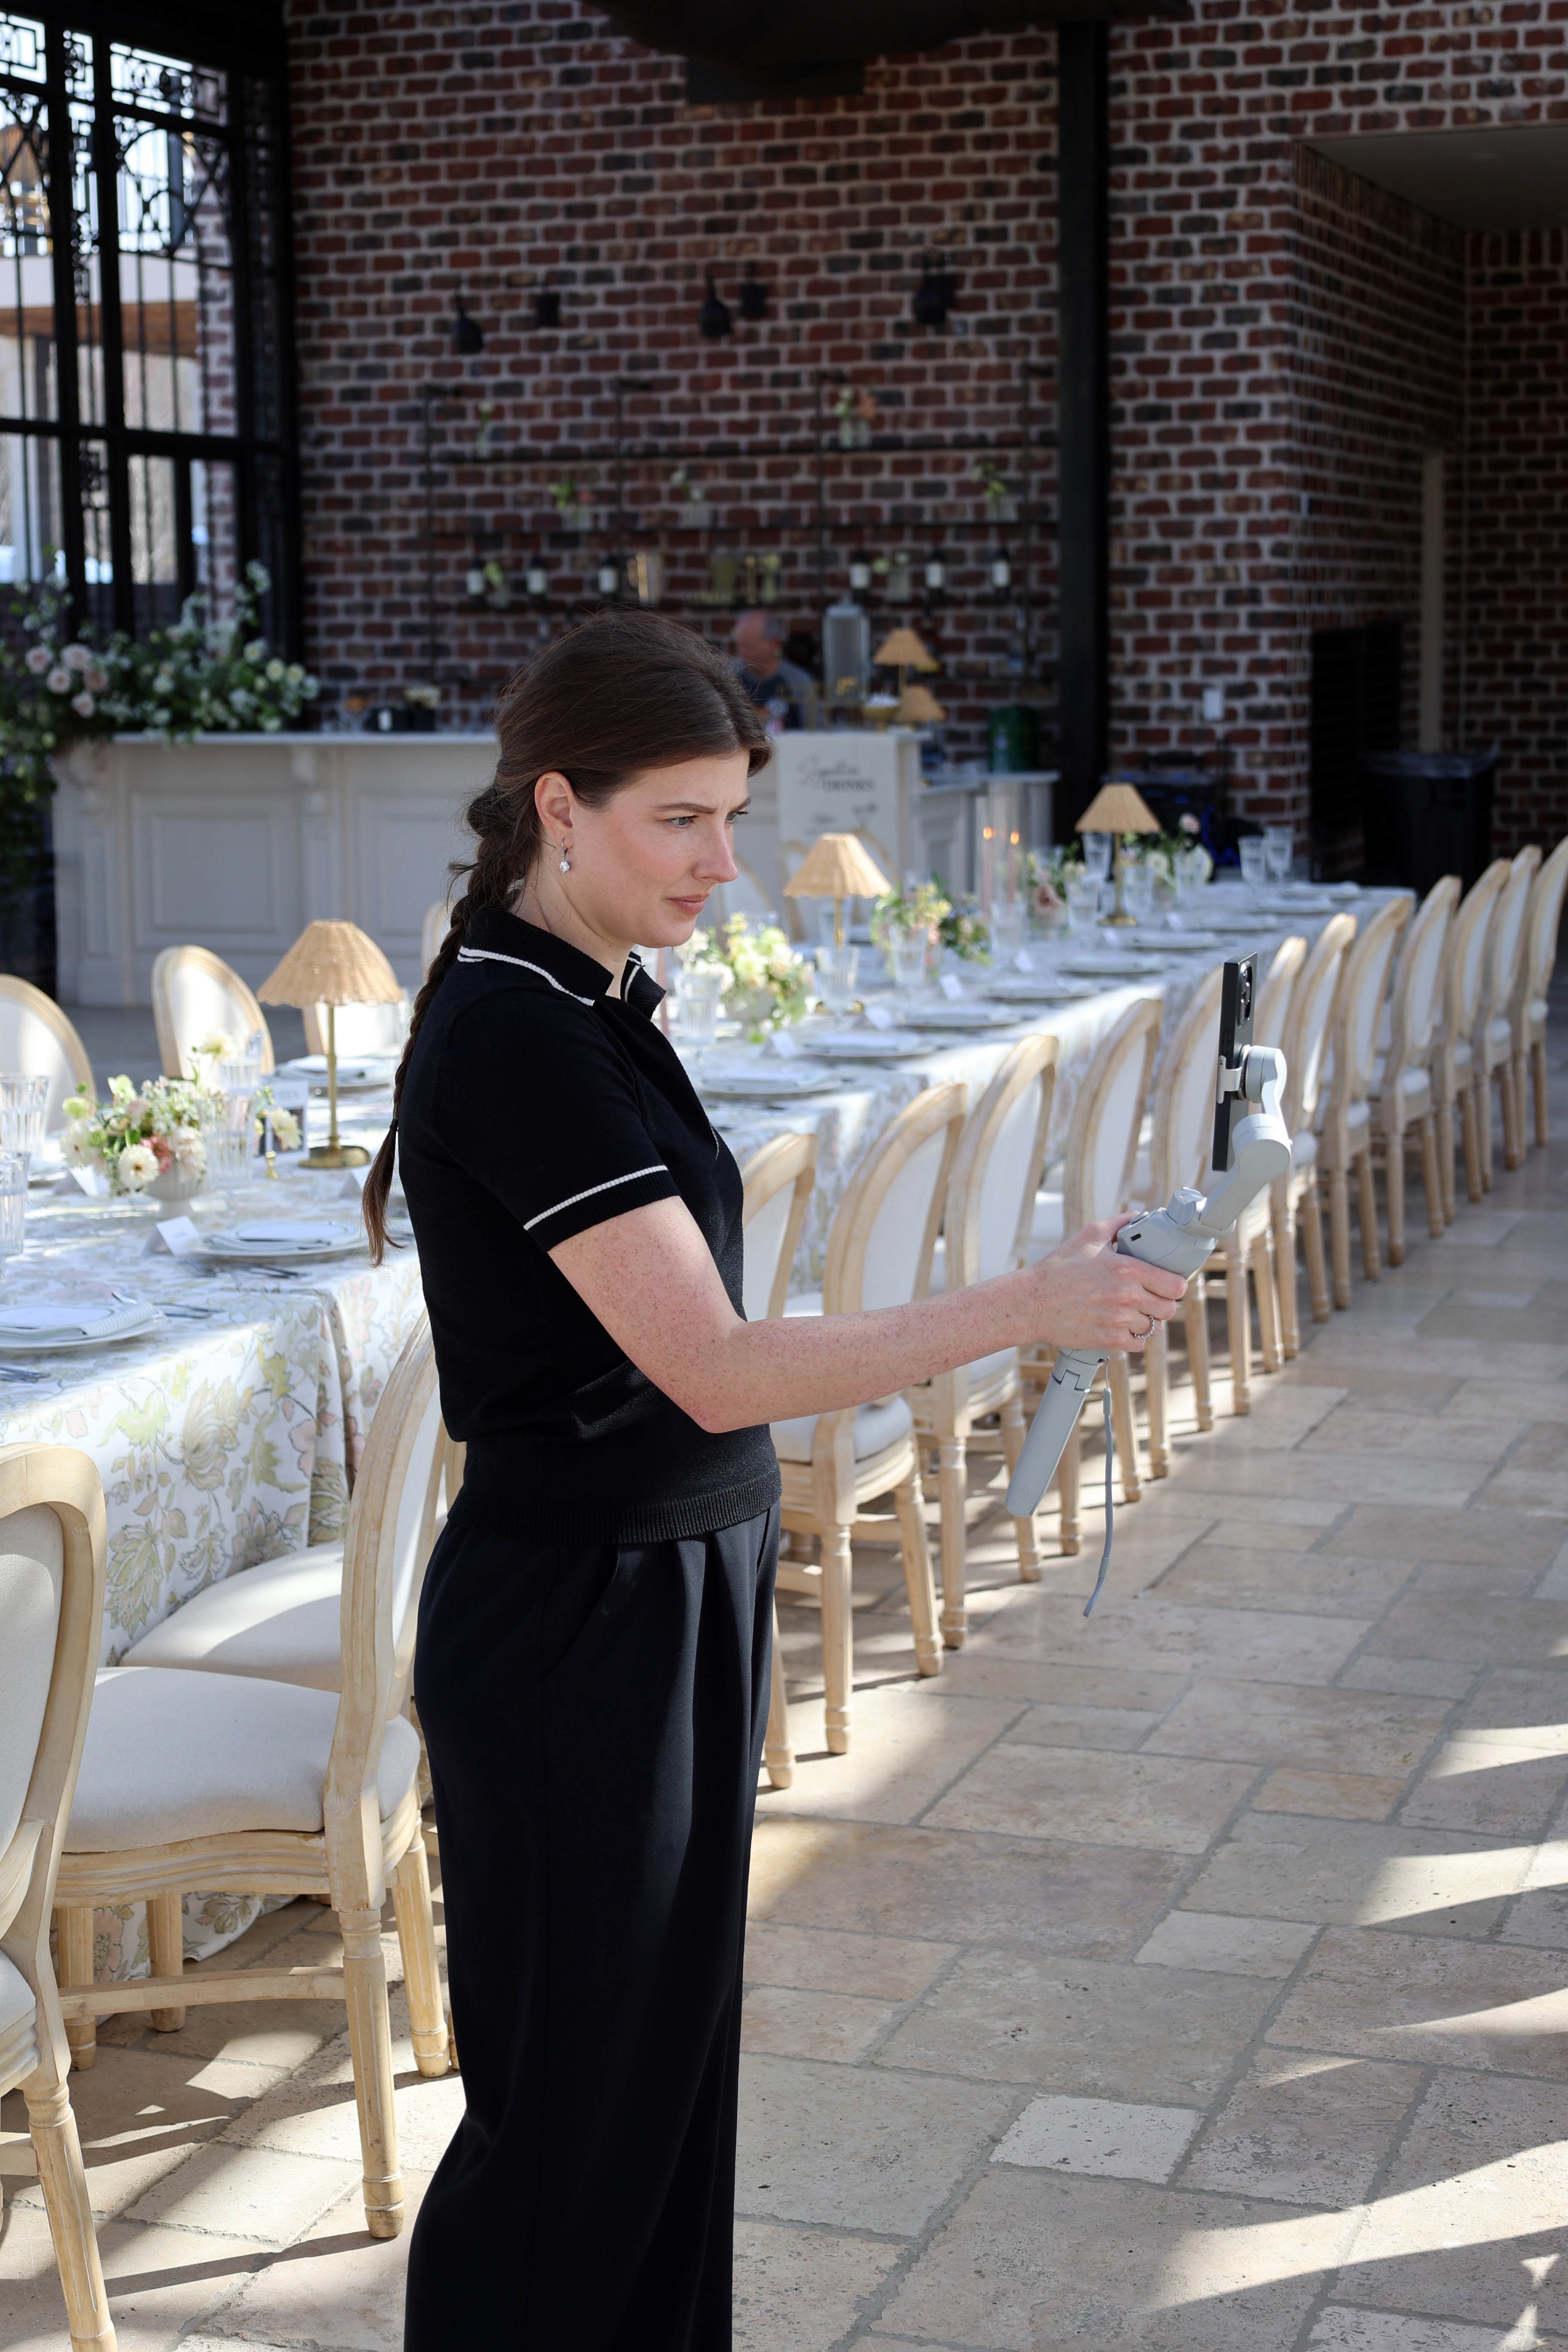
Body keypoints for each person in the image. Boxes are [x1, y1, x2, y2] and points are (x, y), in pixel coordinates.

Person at [363, 608, 1185, 2352]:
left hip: (669, 1587)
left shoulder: (590, 995)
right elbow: (717, 1366)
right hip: (580, 1621)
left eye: (732, 819)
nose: (721, 864)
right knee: (570, 2135)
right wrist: (1023, 1306)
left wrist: (1032, 1286)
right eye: (682, 820)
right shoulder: (516, 1033)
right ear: (559, 805)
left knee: (657, 2107)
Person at [731, 606, 817, 729]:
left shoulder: (799, 682)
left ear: (774, 644)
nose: (741, 652)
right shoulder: (729, 677)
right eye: (739, 645)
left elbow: (817, 733)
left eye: (749, 647)